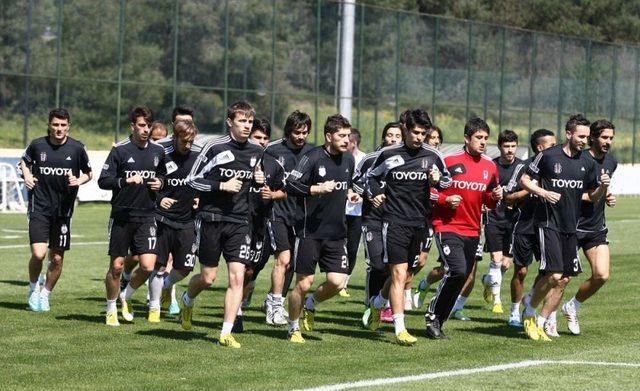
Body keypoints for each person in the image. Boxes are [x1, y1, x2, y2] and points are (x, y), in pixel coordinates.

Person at [180, 101, 265, 348]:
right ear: (230, 122)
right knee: (207, 278)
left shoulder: (256, 151)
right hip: (211, 219)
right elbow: (192, 180)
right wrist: (221, 186)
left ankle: (225, 333)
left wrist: (259, 181)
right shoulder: (214, 147)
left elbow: (255, 183)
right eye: (242, 121)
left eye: (250, 122)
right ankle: (187, 297)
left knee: (238, 278)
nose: (247, 126)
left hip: (239, 221)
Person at [519, 114, 609, 342]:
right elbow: (525, 180)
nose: (584, 140)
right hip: (548, 223)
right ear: (568, 133)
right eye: (581, 136)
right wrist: (542, 192)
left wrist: (603, 189)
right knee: (554, 274)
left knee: (564, 279)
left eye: (587, 137)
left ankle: (541, 321)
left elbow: (589, 195)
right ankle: (529, 312)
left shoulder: (587, 163)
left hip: (572, 227)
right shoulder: (548, 156)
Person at [365, 109, 450, 346]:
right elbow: (370, 178)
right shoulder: (389, 154)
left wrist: (436, 181)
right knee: (399, 274)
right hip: (393, 222)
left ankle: (377, 304)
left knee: (408, 272)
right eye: (415, 132)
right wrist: (376, 193)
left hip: (420, 223)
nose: (419, 137)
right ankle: (400, 327)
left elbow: (447, 181)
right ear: (405, 130)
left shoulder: (432, 156)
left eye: (423, 133)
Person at [425, 117, 502, 340]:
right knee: (457, 270)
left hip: (472, 229)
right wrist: (444, 201)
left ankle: (439, 319)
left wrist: (495, 197)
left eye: (486, 138)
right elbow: (426, 192)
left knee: (462, 277)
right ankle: (432, 316)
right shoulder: (448, 161)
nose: (483, 142)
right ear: (466, 138)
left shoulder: (490, 166)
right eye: (478, 138)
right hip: (447, 226)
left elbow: (489, 201)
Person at [285, 114, 359, 343]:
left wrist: (351, 193)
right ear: (329, 136)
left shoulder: (349, 160)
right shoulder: (312, 157)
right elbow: (291, 184)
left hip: (337, 234)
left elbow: (347, 185)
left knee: (338, 282)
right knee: (304, 283)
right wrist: (316, 189)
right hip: (310, 233)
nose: (347, 140)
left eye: (348, 135)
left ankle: (311, 304)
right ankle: (293, 327)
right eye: (341, 135)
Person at [98, 106, 166, 326]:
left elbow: (163, 175)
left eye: (149, 125)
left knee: (147, 266)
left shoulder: (158, 152)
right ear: (133, 126)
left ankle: (124, 297)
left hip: (147, 216)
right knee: (116, 266)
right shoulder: (120, 150)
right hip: (122, 216)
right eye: (142, 125)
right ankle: (110, 308)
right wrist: (125, 180)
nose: (146, 130)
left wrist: (160, 183)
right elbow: (103, 180)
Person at [20, 108, 92, 312]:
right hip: (39, 207)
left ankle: (45, 294)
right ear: (49, 125)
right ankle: (33, 288)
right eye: (55, 125)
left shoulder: (77, 148)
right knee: (39, 253)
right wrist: (27, 175)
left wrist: (79, 180)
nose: (59, 129)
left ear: (68, 126)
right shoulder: (37, 145)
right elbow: (24, 162)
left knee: (58, 258)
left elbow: (89, 173)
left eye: (63, 125)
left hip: (63, 212)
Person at [560, 119, 617, 335]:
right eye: (604, 137)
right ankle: (544, 318)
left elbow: (599, 188)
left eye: (611, 138)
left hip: (595, 227)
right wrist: (593, 195)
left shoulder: (611, 162)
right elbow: (572, 191)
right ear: (592, 137)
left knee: (601, 275)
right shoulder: (579, 159)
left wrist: (608, 195)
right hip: (573, 226)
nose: (608, 141)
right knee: (562, 278)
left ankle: (572, 306)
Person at [144, 120, 200, 323]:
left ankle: (167, 285)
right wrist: (160, 199)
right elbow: (151, 184)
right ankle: (154, 307)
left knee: (185, 268)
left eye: (191, 141)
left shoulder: (197, 159)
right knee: (158, 266)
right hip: (163, 220)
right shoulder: (162, 156)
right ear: (175, 138)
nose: (188, 145)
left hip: (187, 222)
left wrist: (200, 199)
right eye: (184, 141)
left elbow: (204, 184)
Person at [262, 110, 313, 326]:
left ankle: (274, 300)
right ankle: (274, 308)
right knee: (282, 259)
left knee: (292, 263)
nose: (301, 136)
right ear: (288, 131)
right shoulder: (273, 151)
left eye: (305, 132)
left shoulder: (312, 153)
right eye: (297, 132)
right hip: (278, 213)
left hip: (301, 216)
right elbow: (264, 182)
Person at [236, 118, 286, 332]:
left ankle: (245, 293)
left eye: (265, 138)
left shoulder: (273, 165)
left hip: (261, 224)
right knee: (239, 268)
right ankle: (235, 313)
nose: (262, 142)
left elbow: (284, 191)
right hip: (239, 222)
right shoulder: (237, 159)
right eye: (258, 137)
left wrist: (272, 194)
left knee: (250, 271)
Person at [503, 129, 556, 328]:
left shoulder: (558, 167)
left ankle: (531, 301)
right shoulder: (523, 168)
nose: (555, 148)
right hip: (524, 227)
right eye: (551, 145)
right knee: (521, 271)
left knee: (550, 272)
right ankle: (514, 312)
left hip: (548, 228)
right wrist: (529, 189)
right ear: (539, 148)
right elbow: (507, 196)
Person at [354, 122, 403, 327]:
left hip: (396, 220)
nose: (393, 139)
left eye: (397, 135)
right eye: (389, 135)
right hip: (372, 220)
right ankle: (371, 304)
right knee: (377, 265)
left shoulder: (405, 161)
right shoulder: (370, 159)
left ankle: (385, 306)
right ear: (384, 137)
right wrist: (369, 195)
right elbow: (356, 184)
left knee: (395, 266)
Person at [480, 130, 522, 314]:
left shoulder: (522, 167)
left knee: (505, 264)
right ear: (499, 147)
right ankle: (497, 301)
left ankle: (487, 281)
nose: (510, 150)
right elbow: (482, 189)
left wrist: (515, 199)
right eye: (506, 146)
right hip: (494, 219)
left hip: (514, 223)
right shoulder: (491, 166)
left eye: (513, 146)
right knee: (497, 261)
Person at [412, 125, 444, 309]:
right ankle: (404, 290)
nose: (436, 141)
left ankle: (423, 286)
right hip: (420, 217)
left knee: (449, 267)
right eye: (432, 137)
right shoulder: (420, 160)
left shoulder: (441, 160)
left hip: (441, 219)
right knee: (418, 260)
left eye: (437, 138)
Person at [340, 128, 367, 298]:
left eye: (346, 140)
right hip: (340, 211)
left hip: (357, 213)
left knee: (352, 248)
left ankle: (344, 282)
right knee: (338, 246)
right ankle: (337, 280)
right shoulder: (340, 158)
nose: (343, 143)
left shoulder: (364, 159)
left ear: (353, 143)